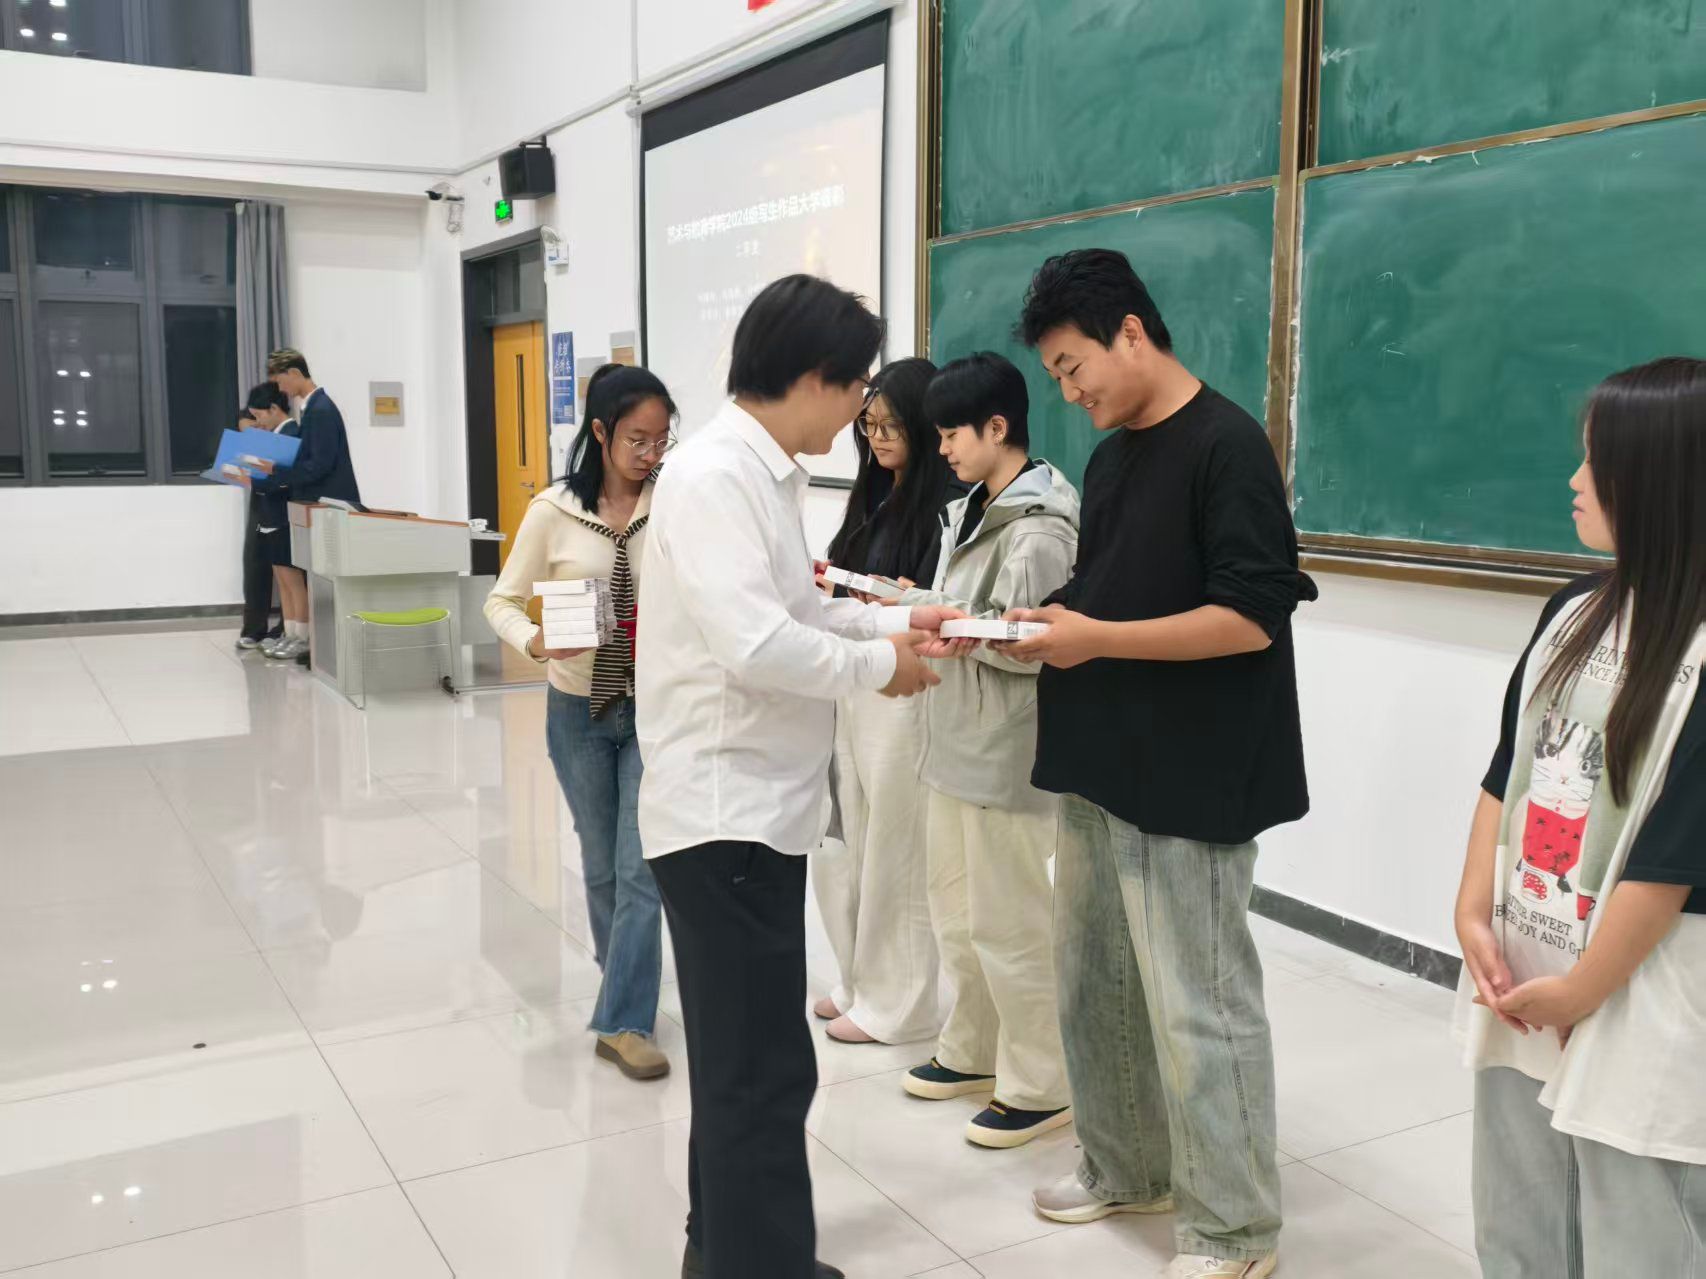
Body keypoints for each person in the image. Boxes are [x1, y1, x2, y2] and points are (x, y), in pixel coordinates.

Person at [635, 274, 962, 1279]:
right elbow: (756, 644)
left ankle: (724, 1254)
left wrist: (903, 620)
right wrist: (881, 666)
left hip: (753, 814)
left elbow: (804, 610)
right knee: (761, 1073)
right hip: (724, 816)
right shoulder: (714, 477)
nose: (861, 409)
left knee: (744, 1063)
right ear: (814, 376)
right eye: (856, 386)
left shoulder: (759, 475)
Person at [1006, 249, 1314, 1279]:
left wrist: (1092, 638)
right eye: (1054, 374)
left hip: (1195, 771)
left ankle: (1233, 1229)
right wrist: (1043, 626)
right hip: (1103, 757)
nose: (1068, 390)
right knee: (1094, 984)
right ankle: (1126, 1164)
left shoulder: (1227, 445)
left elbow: (1249, 617)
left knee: (1199, 1003)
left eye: (1071, 366)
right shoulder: (1111, 458)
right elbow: (1109, 592)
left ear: (1129, 332)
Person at [1453, 357, 1706, 1277]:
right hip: (1529, 961)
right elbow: (1507, 771)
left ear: (1657, 479)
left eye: (1594, 460)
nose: (1574, 479)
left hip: (1641, 982)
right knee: (1519, 1215)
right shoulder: (1574, 609)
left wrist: (1584, 988)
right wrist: (1471, 914)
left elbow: (1674, 858)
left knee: (1638, 1228)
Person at [893, 351, 1081, 1148]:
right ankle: (971, 1049)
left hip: (1006, 754)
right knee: (957, 914)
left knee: (1011, 924)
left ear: (997, 427)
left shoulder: (1040, 528)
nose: (941, 449)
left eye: (952, 434)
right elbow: (967, 611)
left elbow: (1038, 644)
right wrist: (924, 609)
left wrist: (968, 633)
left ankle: (1041, 1083)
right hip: (953, 740)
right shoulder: (971, 507)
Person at [485, 364, 678, 1082]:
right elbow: (501, 601)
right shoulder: (553, 511)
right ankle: (620, 981)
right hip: (578, 710)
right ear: (600, 431)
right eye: (636, 439)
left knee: (640, 867)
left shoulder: (675, 504)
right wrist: (536, 641)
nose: (650, 454)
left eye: (661, 439)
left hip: (655, 708)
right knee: (599, 864)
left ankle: (625, 1021)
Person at [813, 356, 955, 1047]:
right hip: (856, 682)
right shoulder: (871, 493)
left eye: (890, 425)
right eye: (868, 426)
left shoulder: (947, 504)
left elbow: (943, 607)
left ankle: (900, 1004)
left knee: (897, 848)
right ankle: (859, 982)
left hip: (907, 693)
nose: (876, 438)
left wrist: (892, 599)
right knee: (851, 838)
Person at [250, 348, 361, 664]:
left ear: (295, 373)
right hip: (315, 506)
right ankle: (310, 641)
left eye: (281, 381)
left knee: (321, 579)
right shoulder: (312, 409)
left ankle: (318, 642)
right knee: (313, 576)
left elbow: (319, 465)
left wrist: (277, 473)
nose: (282, 389)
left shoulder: (321, 409)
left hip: (328, 505)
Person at [235, 382, 296, 651]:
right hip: (261, 500)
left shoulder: (291, 428)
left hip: (282, 503)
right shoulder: (259, 409)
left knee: (288, 570)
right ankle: (254, 629)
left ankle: (287, 629)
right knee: (256, 561)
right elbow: (244, 423)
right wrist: (253, 432)